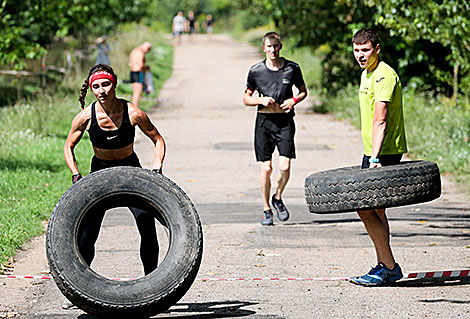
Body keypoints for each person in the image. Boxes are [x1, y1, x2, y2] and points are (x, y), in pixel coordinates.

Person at [62, 64, 165, 308]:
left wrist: (157, 168)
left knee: (146, 226)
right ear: (90, 88)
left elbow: (157, 139)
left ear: (115, 84)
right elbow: (68, 146)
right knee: (87, 234)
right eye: (96, 86)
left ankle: (151, 286)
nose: (101, 90)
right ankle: (81, 291)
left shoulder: (133, 112)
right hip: (100, 172)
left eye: (105, 84)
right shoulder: (86, 117)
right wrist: (76, 174)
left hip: (131, 169)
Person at [349, 28, 407, 286]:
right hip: (373, 150)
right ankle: (384, 265)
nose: (360, 55)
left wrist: (374, 158)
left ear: (377, 49)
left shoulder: (384, 75)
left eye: (365, 50)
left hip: (384, 152)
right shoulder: (366, 74)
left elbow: (380, 120)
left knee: (364, 206)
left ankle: (389, 266)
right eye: (356, 50)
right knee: (376, 211)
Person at [243, 32, 307, 226]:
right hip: (264, 122)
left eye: (276, 46)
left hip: (285, 121)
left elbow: (303, 91)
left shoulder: (291, 68)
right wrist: (260, 100)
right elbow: (246, 98)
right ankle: (266, 209)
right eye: (269, 47)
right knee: (267, 168)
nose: (273, 50)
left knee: (285, 166)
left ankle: (277, 197)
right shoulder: (256, 71)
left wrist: (294, 100)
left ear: (281, 46)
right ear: (264, 48)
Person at [129, 42, 152, 106]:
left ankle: (134, 108)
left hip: (132, 72)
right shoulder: (140, 53)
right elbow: (140, 65)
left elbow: (130, 63)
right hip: (138, 73)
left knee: (135, 93)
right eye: (148, 49)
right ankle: (135, 109)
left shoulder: (134, 51)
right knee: (137, 93)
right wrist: (146, 68)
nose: (147, 51)